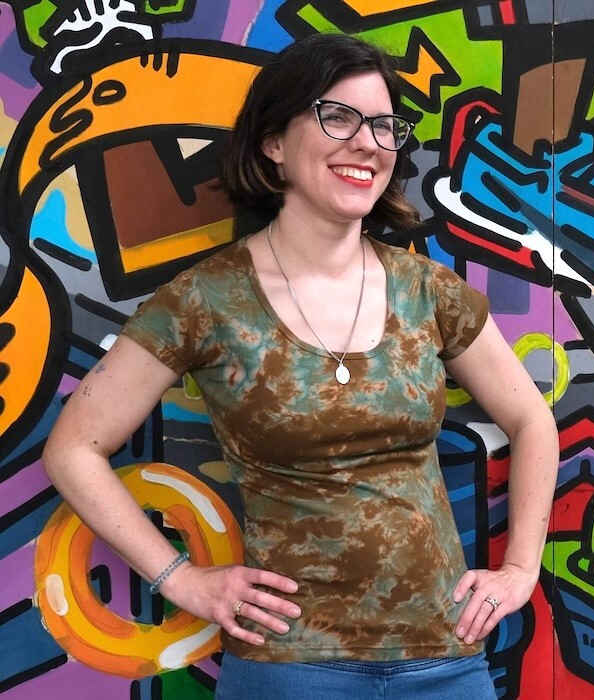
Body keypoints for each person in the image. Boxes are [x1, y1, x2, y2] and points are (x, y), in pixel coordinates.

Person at [43, 33, 559, 699]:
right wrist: (181, 579)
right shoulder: (205, 301)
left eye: (384, 126)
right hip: (290, 670)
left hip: (447, 661)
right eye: (338, 117)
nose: (368, 143)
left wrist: (520, 570)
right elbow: (73, 448)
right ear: (273, 142)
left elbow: (531, 421)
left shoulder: (428, 291)